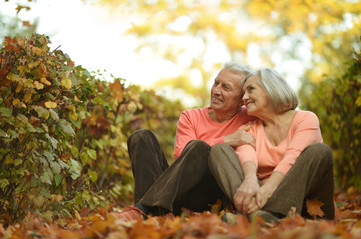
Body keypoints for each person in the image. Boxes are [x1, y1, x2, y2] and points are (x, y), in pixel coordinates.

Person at [114, 62, 256, 221]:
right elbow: (182, 154)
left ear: (241, 100)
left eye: (226, 87)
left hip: (207, 197)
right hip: (176, 191)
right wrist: (226, 140)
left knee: (199, 146)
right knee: (141, 137)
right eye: (216, 83)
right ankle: (154, 211)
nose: (216, 90)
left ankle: (143, 209)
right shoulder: (191, 116)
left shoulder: (251, 116)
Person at [208, 68, 335, 223]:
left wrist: (265, 194)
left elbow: (292, 157)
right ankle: (264, 218)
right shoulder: (250, 128)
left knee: (320, 151)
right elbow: (247, 155)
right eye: (243, 93)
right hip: (260, 199)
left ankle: (263, 215)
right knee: (219, 150)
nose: (244, 98)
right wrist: (250, 180)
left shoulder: (306, 119)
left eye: (251, 90)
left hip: (306, 203)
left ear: (271, 89)